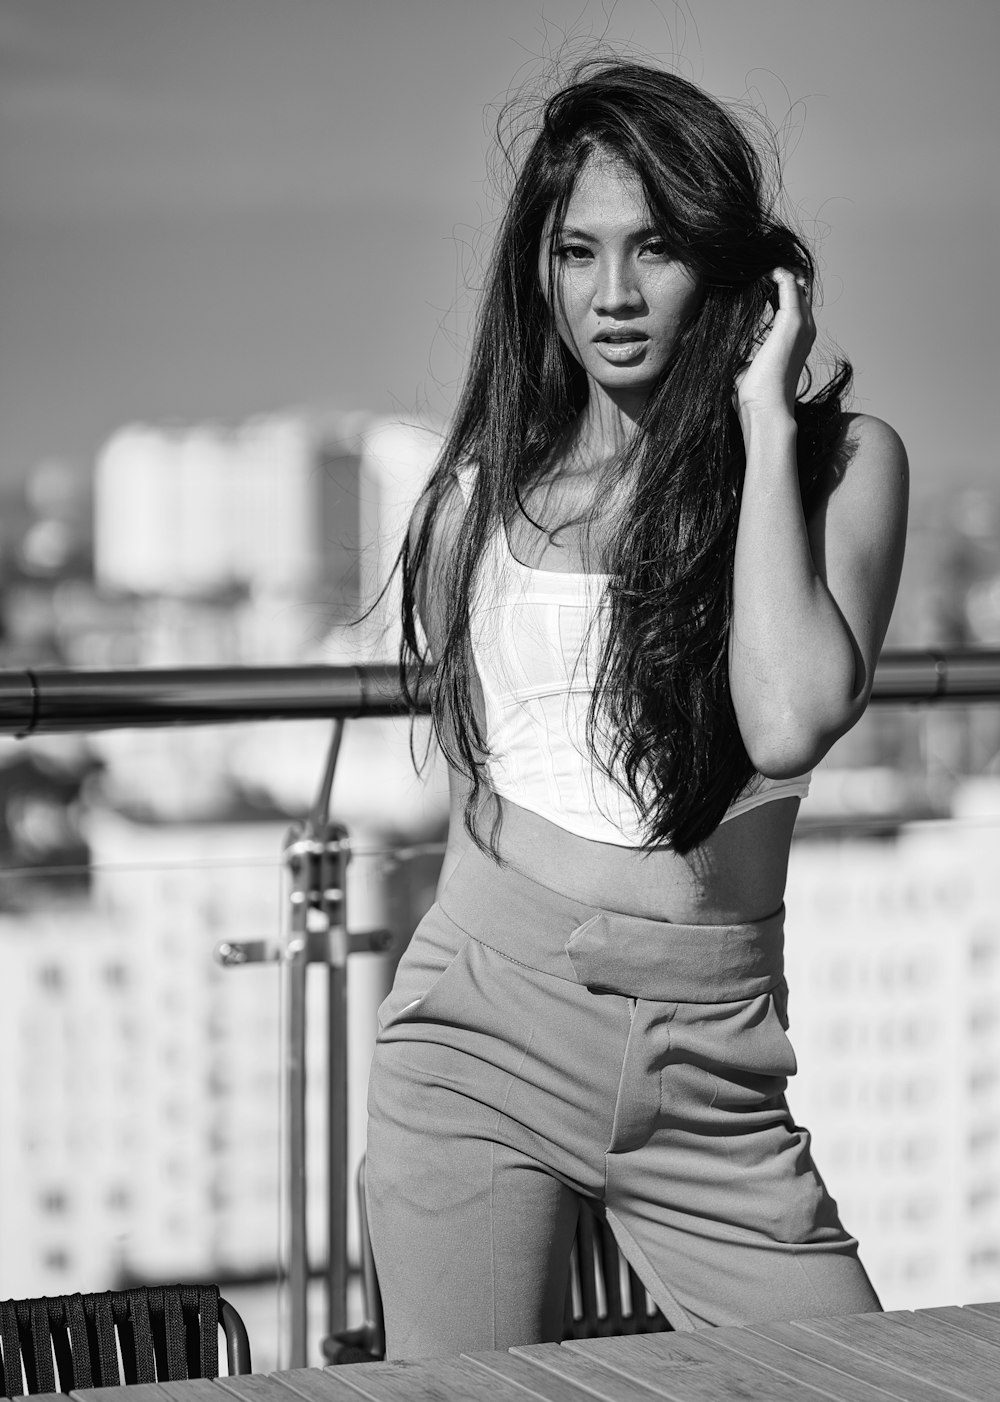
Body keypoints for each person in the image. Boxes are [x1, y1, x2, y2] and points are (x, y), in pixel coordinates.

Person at [365, 58, 908, 1360]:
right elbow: (480, 791)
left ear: (728, 265)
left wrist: (763, 425)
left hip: (711, 1062)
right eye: (577, 252)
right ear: (538, 272)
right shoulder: (476, 501)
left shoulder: (842, 468)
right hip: (477, 1029)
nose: (611, 295)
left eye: (654, 248)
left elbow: (788, 718)